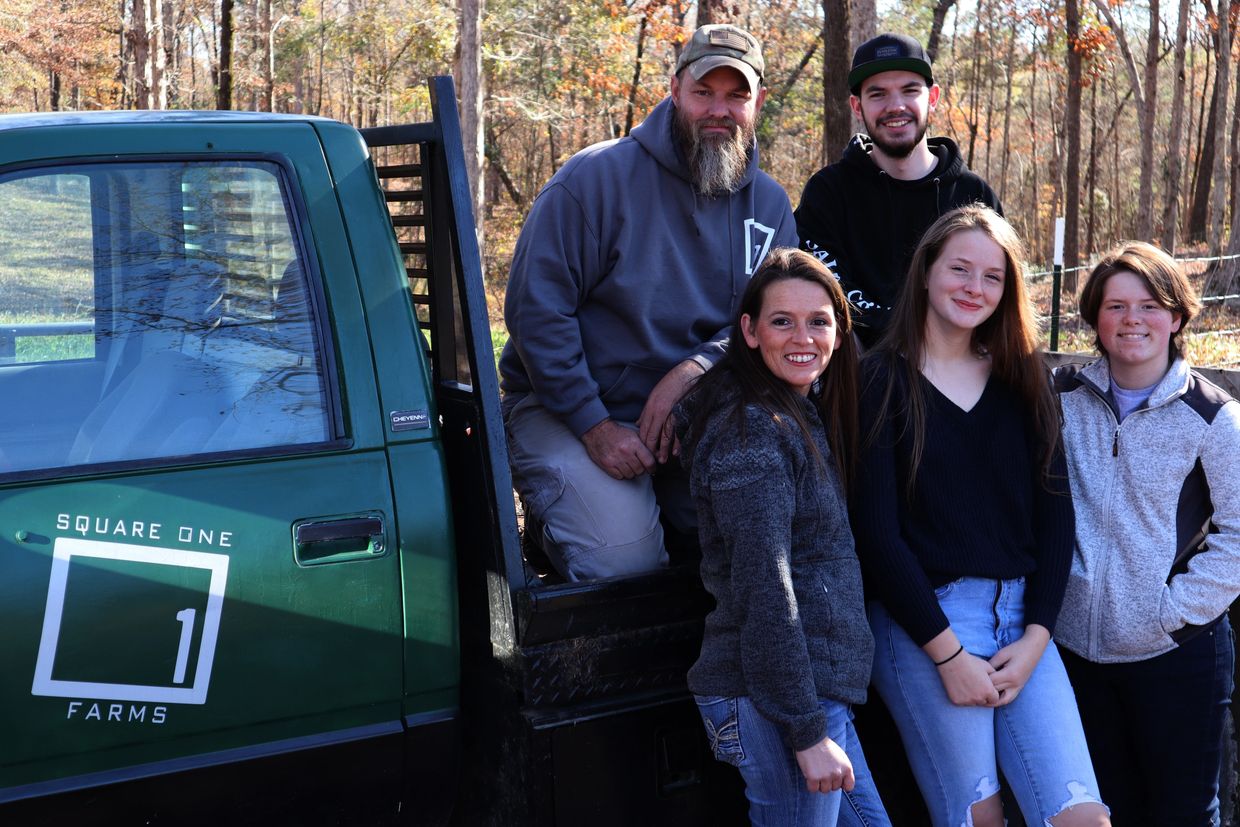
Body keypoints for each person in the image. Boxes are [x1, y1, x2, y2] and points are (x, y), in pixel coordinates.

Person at [499, 23, 797, 582]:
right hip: (568, 407)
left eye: (737, 94)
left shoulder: (771, 205)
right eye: (704, 91)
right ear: (675, 89)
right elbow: (536, 311)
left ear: (757, 101)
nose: (719, 109)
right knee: (625, 563)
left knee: (757, 533)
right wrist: (594, 425)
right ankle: (549, 530)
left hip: (696, 418)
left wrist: (693, 371)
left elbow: (777, 320)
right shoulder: (594, 178)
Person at [850, 206, 1110, 827]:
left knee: (1081, 818)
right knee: (978, 818)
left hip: (1023, 624)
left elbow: (1056, 522)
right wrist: (947, 656)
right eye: (959, 269)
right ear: (925, 274)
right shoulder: (878, 380)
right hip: (928, 622)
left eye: (992, 277)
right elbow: (878, 538)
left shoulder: (1024, 381)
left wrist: (1036, 639)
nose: (974, 287)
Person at [677, 248, 888, 826]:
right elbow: (765, 588)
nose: (804, 337)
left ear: (839, 334)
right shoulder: (751, 434)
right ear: (748, 331)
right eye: (781, 321)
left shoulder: (794, 412)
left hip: (811, 695)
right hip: (776, 702)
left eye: (818, 321)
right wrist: (804, 730)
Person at [1054, 242, 1240, 827]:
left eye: (1150, 305)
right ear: (1095, 318)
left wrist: (1172, 613)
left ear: (1177, 317)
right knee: (1104, 810)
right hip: (1074, 651)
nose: (1132, 319)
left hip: (1175, 652)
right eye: (1115, 306)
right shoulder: (1061, 400)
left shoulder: (1214, 418)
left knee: (1182, 812)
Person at [794, 33, 1001, 348]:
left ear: (932, 98)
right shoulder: (828, 192)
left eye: (909, 90)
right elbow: (823, 292)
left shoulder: (974, 197)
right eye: (877, 94)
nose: (896, 106)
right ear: (857, 106)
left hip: (955, 368)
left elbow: (998, 297)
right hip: (855, 375)